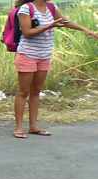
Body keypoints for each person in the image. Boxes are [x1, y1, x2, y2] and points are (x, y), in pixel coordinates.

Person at [12, 0, 98, 139]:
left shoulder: (51, 7)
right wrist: (50, 25)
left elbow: (65, 22)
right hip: (27, 55)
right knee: (23, 92)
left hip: (44, 55)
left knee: (36, 92)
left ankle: (33, 126)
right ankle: (19, 127)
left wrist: (86, 30)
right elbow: (27, 32)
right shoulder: (26, 8)